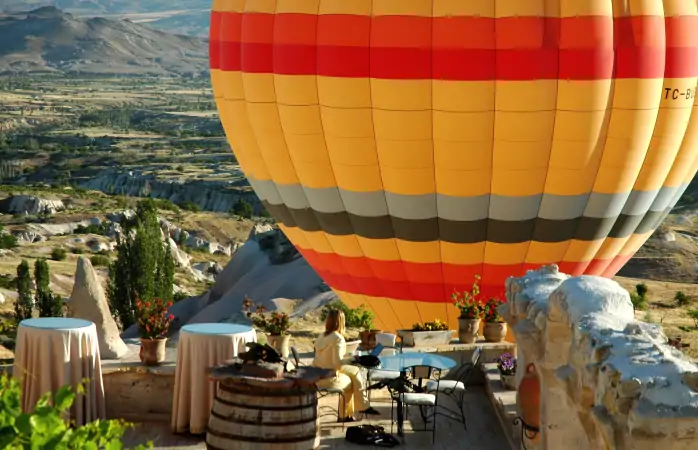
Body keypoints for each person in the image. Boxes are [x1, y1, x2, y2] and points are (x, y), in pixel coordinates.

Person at [313, 309, 380, 421]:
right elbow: (337, 363)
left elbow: (329, 360)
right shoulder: (338, 338)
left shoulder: (321, 337)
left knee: (353, 372)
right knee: (351, 380)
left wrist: (351, 359)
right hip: (329, 378)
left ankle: (350, 413)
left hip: (318, 376)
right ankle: (355, 409)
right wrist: (353, 359)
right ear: (341, 322)